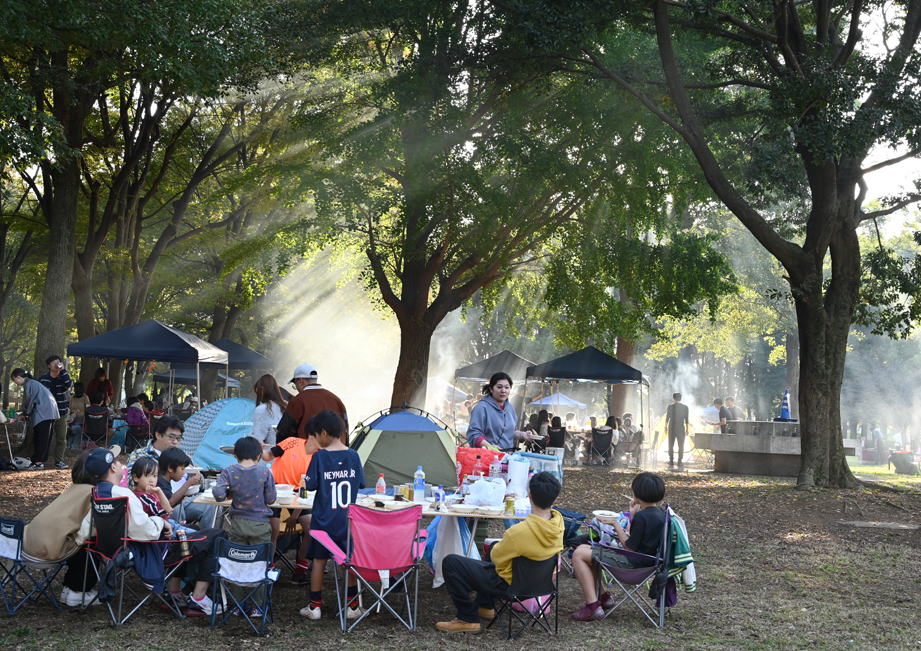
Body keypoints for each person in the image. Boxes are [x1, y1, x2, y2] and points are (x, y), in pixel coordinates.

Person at [76, 447, 221, 616]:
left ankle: (176, 591)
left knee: (198, 532)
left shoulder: (98, 493)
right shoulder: (124, 495)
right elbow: (147, 530)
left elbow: (87, 528)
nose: (122, 464)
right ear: (113, 468)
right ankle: (199, 596)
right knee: (216, 536)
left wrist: (81, 540)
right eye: (117, 462)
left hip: (110, 550)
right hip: (151, 549)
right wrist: (161, 522)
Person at [434, 471, 564, 633]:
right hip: (540, 584)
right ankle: (486, 605)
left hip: (513, 586)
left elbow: (496, 559)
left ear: (529, 495)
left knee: (451, 562)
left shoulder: (519, 532)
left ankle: (467, 618)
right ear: (555, 498)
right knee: (496, 546)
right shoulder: (558, 523)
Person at [22, 447, 119, 607]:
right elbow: (92, 528)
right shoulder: (94, 493)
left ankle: (70, 587)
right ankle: (78, 591)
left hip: (26, 546)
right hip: (47, 552)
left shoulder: (75, 489)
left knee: (82, 538)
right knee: (92, 542)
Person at [570, 472, 667, 621]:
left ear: (637, 496)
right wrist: (633, 516)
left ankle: (592, 607)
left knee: (578, 555)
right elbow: (638, 539)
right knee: (583, 549)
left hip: (633, 564)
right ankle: (603, 596)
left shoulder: (644, 517)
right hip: (649, 562)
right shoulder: (661, 514)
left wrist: (615, 523)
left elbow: (629, 546)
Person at [299, 410, 364, 621]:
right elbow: (360, 484)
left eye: (316, 436)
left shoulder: (320, 457)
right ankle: (352, 606)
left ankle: (314, 606)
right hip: (347, 520)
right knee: (347, 561)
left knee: (319, 561)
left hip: (323, 520)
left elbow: (309, 485)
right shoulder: (354, 456)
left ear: (324, 433)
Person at [212, 436, 277, 613]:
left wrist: (229, 492)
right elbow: (271, 499)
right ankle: (258, 606)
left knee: (236, 563)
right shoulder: (264, 472)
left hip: (237, 524)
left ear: (236, 455)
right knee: (259, 564)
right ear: (258, 455)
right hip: (260, 525)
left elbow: (218, 494)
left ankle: (237, 604)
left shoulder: (229, 471)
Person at [277, 363, 348, 441]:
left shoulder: (298, 400)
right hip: (336, 451)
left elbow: (284, 432)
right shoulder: (336, 399)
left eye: (295, 385)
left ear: (301, 381)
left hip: (307, 451)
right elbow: (345, 429)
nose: (296, 388)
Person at [466, 372, 533, 452]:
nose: (503, 390)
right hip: (487, 457)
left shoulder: (510, 408)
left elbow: (511, 431)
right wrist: (490, 447)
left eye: (507, 387)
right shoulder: (481, 407)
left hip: (507, 456)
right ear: (491, 389)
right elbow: (474, 434)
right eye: (499, 387)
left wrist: (523, 434)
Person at [11, 368, 60, 471]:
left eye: (15, 381)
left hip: (44, 412)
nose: (16, 383)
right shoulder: (33, 383)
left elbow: (30, 400)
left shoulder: (29, 384)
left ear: (18, 377)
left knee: (41, 438)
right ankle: (40, 460)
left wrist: (25, 413)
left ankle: (38, 462)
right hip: (50, 411)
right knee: (45, 437)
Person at [38, 355, 74, 469]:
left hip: (61, 413)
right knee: (44, 438)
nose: (56, 364)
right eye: (54, 363)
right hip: (46, 414)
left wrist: (62, 370)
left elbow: (69, 384)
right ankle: (41, 460)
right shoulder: (43, 379)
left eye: (58, 362)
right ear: (49, 366)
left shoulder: (63, 377)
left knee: (61, 438)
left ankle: (59, 461)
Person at [252, 374, 286, 445]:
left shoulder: (261, 410)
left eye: (257, 393)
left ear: (261, 390)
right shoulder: (285, 406)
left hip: (270, 453)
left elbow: (258, 439)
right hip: (288, 452)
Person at [664, 392, 690, 468]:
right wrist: (687, 429)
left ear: (673, 398)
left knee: (670, 445)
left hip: (671, 427)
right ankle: (680, 461)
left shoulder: (670, 407)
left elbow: (667, 418)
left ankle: (671, 461)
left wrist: (665, 427)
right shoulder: (685, 407)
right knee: (681, 445)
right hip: (681, 428)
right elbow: (687, 419)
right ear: (680, 398)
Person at [67, 382, 90, 449]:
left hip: (81, 421)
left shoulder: (85, 398)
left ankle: (73, 447)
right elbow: (69, 410)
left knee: (76, 428)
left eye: (79, 388)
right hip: (71, 420)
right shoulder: (72, 398)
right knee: (72, 427)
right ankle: (70, 446)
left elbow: (88, 410)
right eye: (76, 388)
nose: (78, 390)